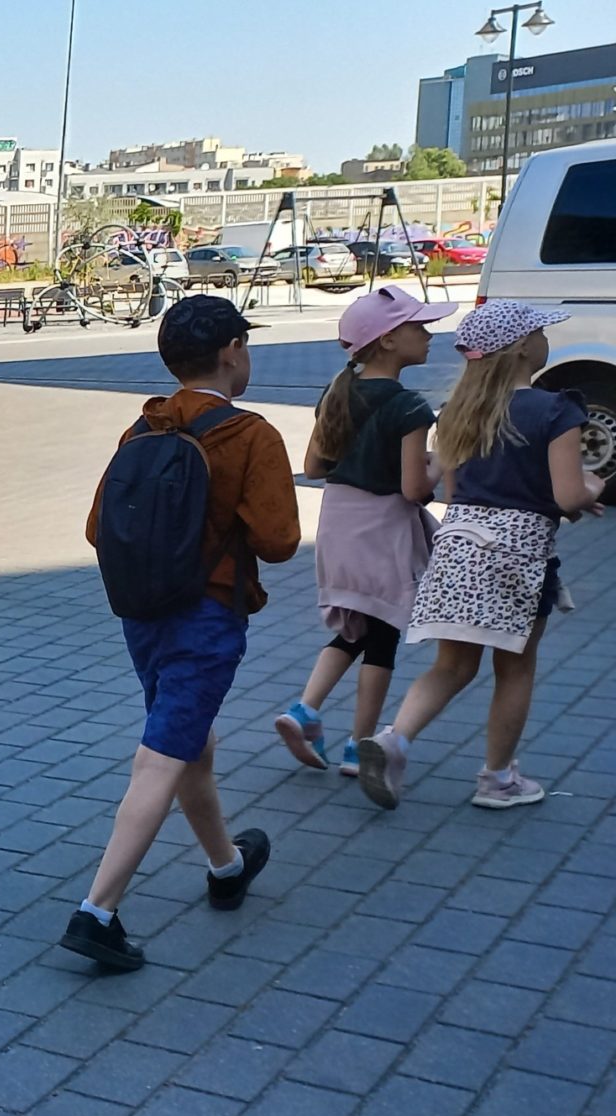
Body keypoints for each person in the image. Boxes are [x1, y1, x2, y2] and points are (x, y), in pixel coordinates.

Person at [63, 296, 300, 973]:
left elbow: (97, 528)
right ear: (232, 352)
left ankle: (226, 867)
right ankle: (97, 912)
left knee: (189, 739)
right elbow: (279, 540)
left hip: (142, 612)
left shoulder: (145, 426)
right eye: (246, 346)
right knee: (162, 755)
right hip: (207, 615)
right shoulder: (251, 436)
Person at [356, 302, 603, 810]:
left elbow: (453, 493)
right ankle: (497, 780)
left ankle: (394, 739)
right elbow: (566, 496)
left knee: (452, 665)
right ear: (522, 347)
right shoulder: (556, 411)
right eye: (539, 331)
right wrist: (592, 486)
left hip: (458, 549)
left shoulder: (457, 412)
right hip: (519, 556)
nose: (545, 339)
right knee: (515, 667)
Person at [272, 287, 453, 775]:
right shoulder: (409, 407)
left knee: (355, 626)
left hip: (339, 526)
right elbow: (414, 489)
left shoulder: (338, 392)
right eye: (419, 326)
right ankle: (359, 744)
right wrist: (440, 463)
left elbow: (315, 466)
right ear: (388, 340)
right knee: (383, 636)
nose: (429, 334)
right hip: (383, 531)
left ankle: (305, 710)